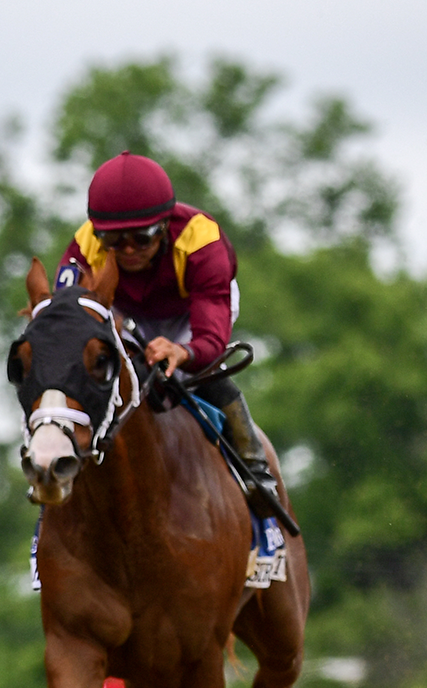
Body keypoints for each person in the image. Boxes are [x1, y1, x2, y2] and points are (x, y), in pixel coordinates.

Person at [55, 151, 291, 533]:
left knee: (184, 376)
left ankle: (255, 467)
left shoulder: (202, 241)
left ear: (165, 226)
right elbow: (67, 327)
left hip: (190, 312)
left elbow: (210, 338)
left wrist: (184, 351)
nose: (128, 250)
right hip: (122, 311)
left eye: (141, 237)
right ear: (98, 233)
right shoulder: (84, 247)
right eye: (114, 239)